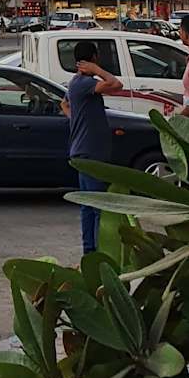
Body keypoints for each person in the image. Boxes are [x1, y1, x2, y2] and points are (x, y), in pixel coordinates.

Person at [64, 39, 124, 255]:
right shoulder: (84, 83)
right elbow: (116, 84)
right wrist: (97, 70)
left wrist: (78, 120)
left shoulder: (76, 83)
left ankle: (90, 250)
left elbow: (64, 103)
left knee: (88, 206)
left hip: (84, 151)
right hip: (90, 153)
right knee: (98, 206)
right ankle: (98, 252)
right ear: (93, 58)